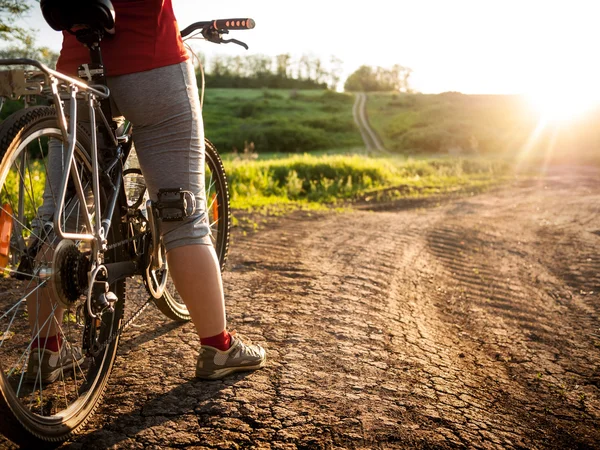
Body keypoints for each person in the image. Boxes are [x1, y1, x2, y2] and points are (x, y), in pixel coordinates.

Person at [28, 0, 266, 382]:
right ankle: (218, 347)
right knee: (182, 216)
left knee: (59, 218)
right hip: (151, 62)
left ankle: (46, 351)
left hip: (76, 71)